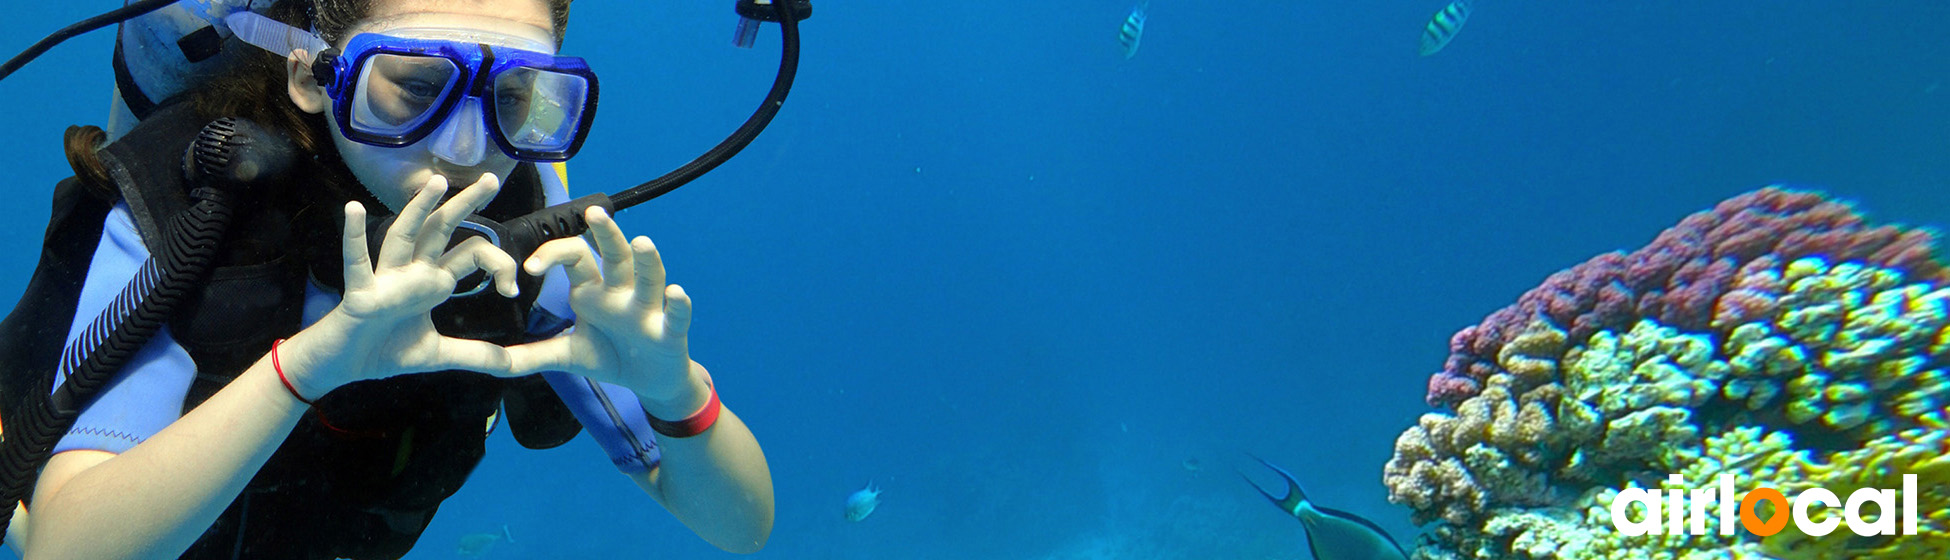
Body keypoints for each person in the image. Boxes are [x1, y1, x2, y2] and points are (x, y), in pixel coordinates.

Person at [3, 0, 774, 558]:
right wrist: (315, 362)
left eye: (512, 99)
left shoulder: (530, 252)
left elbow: (740, 528)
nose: (469, 150)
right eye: (413, 88)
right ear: (313, 76)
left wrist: (675, 391)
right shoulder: (193, 199)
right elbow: (64, 552)